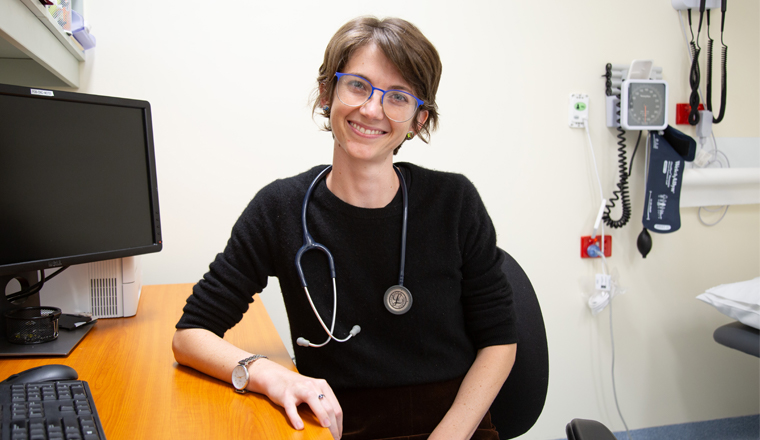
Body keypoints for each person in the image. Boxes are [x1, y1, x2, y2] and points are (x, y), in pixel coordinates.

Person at [173, 16, 518, 440]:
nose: (372, 109)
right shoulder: (280, 208)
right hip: (334, 425)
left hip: (454, 423)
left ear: (418, 119)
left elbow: (500, 340)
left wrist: (451, 434)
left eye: (397, 96)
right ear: (326, 93)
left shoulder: (454, 202)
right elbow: (190, 336)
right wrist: (269, 374)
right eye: (357, 84)